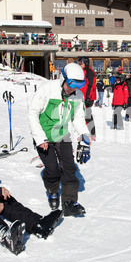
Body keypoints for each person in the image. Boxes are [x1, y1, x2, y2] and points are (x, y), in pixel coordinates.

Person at [28, 63, 90, 216]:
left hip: (62, 134)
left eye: (78, 85)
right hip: (44, 135)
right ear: (64, 78)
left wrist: (84, 139)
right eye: (71, 84)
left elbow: (78, 117)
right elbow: (32, 114)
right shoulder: (47, 89)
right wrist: (39, 137)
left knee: (69, 168)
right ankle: (52, 190)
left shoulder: (78, 95)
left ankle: (69, 202)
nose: (73, 88)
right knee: (52, 169)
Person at [77, 57, 97, 140]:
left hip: (88, 97)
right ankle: (83, 133)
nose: (79, 64)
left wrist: (88, 97)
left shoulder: (89, 72)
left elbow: (90, 85)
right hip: (81, 95)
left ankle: (92, 133)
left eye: (81, 63)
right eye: (78, 63)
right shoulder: (81, 71)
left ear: (86, 63)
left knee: (87, 115)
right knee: (80, 115)